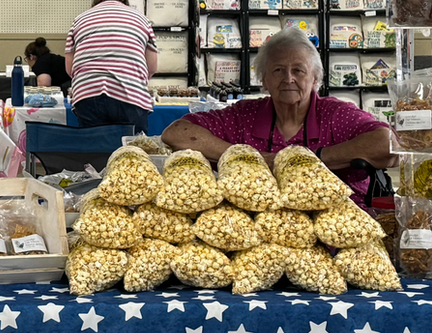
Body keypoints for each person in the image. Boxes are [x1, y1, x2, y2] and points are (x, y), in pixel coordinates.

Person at [162, 27, 395, 207]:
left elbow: (388, 143)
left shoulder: (335, 115)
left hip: (337, 229)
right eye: (278, 70)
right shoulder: (246, 116)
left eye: (298, 70)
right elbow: (177, 133)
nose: (288, 79)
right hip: (261, 230)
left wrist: (313, 159)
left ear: (315, 79)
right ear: (264, 80)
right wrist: (252, 158)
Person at [64, 0, 157, 133]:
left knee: (94, 151)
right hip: (130, 95)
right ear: (125, 1)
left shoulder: (79, 20)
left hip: (88, 94)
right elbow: (152, 68)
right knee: (134, 152)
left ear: (96, 0)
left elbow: (70, 68)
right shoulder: (142, 19)